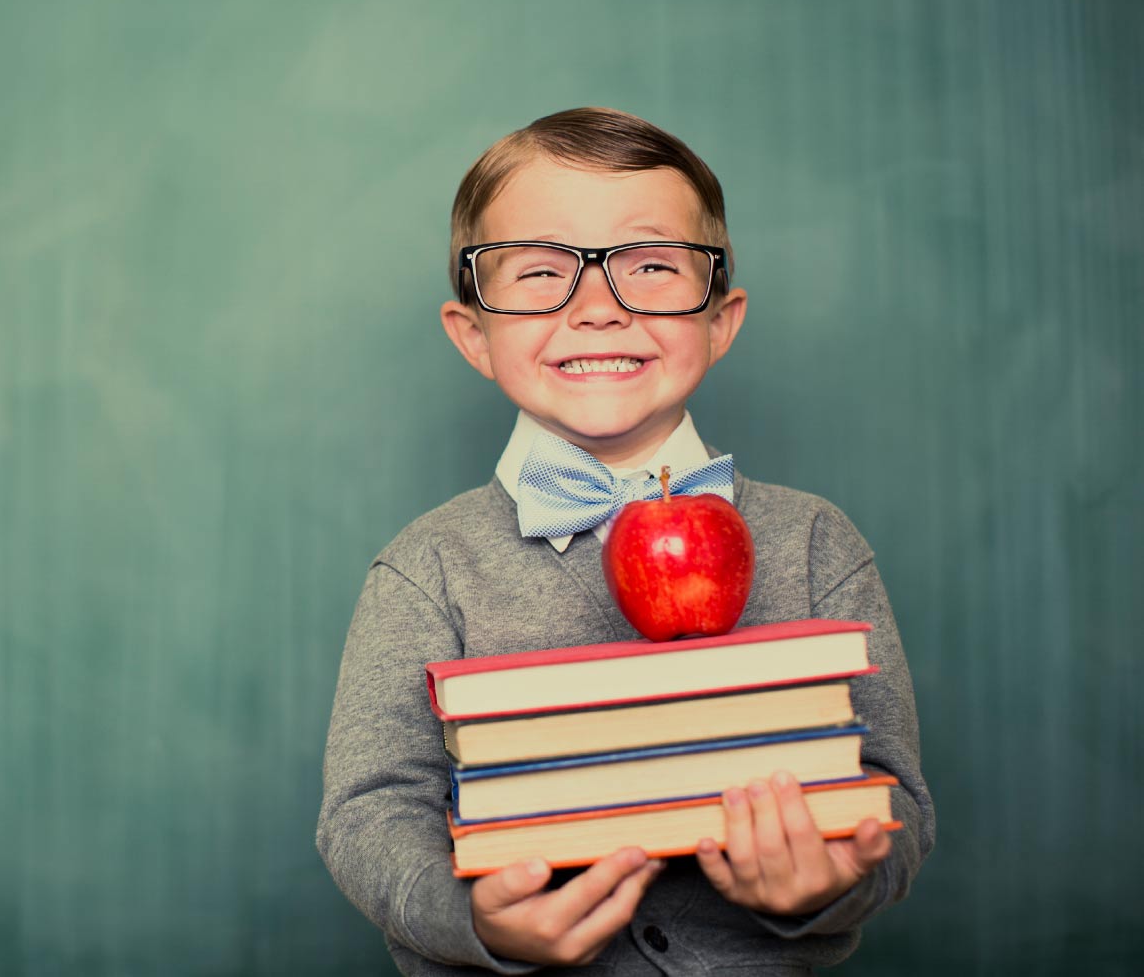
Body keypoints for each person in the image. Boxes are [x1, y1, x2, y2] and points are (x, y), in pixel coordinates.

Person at [316, 108, 934, 975]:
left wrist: (829, 882)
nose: (598, 307)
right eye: (538, 271)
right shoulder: (427, 568)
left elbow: (890, 790)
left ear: (719, 321)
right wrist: (477, 922)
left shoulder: (814, 542)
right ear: (472, 336)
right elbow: (369, 810)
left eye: (649, 266)